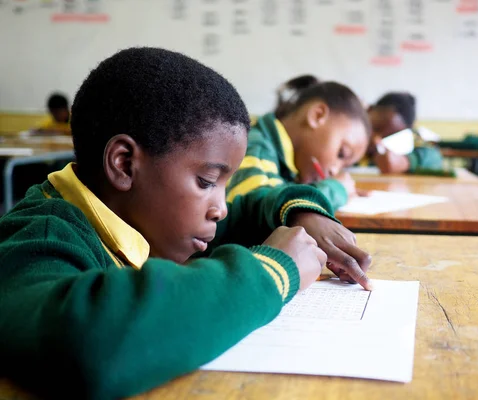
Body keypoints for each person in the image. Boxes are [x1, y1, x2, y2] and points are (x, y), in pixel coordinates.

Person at [0, 47, 372, 399]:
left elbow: (251, 208)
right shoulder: (39, 240)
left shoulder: (150, 221)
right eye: (207, 183)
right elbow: (89, 343)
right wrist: (272, 272)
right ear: (125, 164)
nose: (220, 208)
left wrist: (302, 211)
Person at [227, 81, 371, 210]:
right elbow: (259, 213)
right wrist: (335, 190)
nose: (335, 170)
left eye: (344, 166)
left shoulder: (286, 157)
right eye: (341, 154)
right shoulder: (256, 148)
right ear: (317, 116)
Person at [361, 92, 443, 173]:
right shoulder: (355, 124)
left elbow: (433, 157)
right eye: (376, 128)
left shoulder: (414, 140)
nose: (376, 139)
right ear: (369, 110)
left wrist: (407, 162)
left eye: (389, 137)